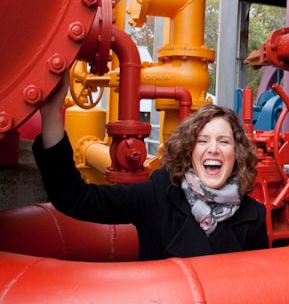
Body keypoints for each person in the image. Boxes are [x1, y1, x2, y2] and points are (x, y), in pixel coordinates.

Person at [34, 78, 268, 260]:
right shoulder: (159, 194)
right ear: (190, 151)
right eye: (203, 141)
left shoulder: (253, 215)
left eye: (224, 142)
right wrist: (51, 114)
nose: (213, 149)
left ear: (236, 154)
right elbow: (75, 198)